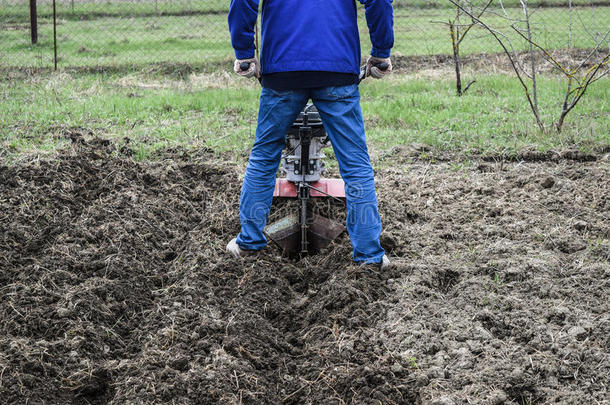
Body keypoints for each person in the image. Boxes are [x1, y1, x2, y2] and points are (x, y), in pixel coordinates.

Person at [226, 0, 394, 269]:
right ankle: (369, 256)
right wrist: (381, 51)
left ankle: (248, 244)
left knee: (264, 157)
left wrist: (245, 53)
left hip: (282, 70)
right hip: (337, 69)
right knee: (355, 164)